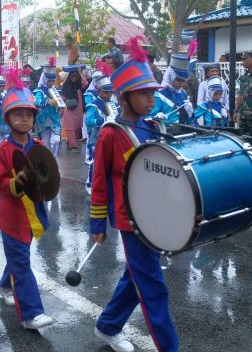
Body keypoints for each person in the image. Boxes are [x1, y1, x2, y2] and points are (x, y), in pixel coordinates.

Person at [90, 37, 177, 352]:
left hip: (153, 216)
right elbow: (99, 181)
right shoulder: (110, 134)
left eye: (153, 93)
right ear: (124, 98)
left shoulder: (152, 126)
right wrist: (98, 224)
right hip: (130, 220)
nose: (151, 100)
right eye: (144, 94)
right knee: (153, 286)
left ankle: (108, 325)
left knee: (138, 275)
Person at [0, 67, 55, 330]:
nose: (24, 118)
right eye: (18, 113)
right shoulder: (3, 151)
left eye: (28, 114)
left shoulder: (39, 147)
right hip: (13, 219)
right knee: (21, 262)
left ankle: (5, 285)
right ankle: (31, 314)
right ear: (8, 118)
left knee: (19, 256)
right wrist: (14, 183)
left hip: (34, 216)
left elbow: (49, 179)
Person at [84, 64, 117, 195]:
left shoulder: (113, 104)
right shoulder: (93, 105)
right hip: (96, 138)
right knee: (94, 162)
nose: (109, 94)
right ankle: (89, 183)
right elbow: (89, 121)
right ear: (99, 92)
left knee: (107, 163)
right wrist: (103, 121)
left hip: (109, 138)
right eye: (106, 92)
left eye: (110, 92)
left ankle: (104, 184)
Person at [149, 53, 193, 125]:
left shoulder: (183, 94)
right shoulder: (159, 95)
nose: (181, 83)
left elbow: (188, 122)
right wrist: (155, 118)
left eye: (183, 80)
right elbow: (147, 119)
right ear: (170, 76)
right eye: (178, 80)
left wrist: (190, 114)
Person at [33, 56, 63, 155]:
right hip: (43, 120)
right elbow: (36, 102)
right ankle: (47, 163)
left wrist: (62, 105)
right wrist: (47, 102)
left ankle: (53, 160)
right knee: (45, 144)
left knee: (55, 141)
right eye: (49, 81)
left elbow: (60, 103)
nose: (51, 83)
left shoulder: (56, 90)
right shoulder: (38, 91)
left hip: (55, 119)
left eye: (52, 81)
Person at [61, 65, 87, 152]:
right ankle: (73, 146)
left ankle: (70, 143)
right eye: (72, 76)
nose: (74, 78)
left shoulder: (78, 86)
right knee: (70, 127)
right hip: (69, 109)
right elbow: (62, 99)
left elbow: (85, 83)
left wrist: (79, 72)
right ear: (69, 76)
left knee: (77, 126)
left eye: (76, 76)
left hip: (78, 109)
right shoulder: (65, 86)